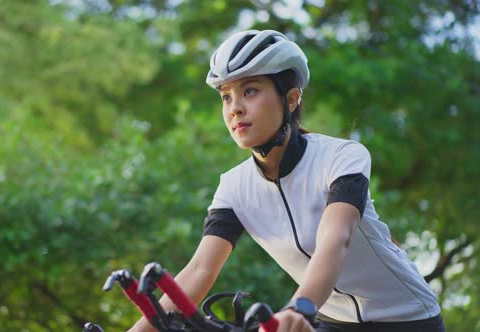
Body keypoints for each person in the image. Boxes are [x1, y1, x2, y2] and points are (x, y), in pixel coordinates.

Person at [128, 29, 445, 332]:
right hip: (333, 321)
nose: (235, 108)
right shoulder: (234, 188)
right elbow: (200, 270)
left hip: (408, 318)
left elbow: (335, 240)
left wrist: (299, 308)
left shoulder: (342, 157)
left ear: (290, 99)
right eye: (226, 97)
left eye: (250, 91)